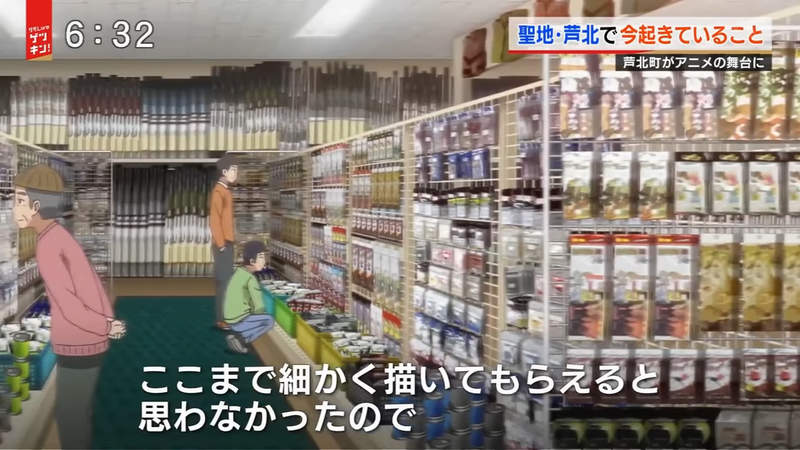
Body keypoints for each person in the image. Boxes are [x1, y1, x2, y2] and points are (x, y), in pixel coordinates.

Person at [13, 165, 126, 449]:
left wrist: (105, 326)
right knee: (76, 412)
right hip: (89, 336)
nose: (13, 209)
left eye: (18, 201)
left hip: (80, 340)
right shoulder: (58, 235)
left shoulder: (48, 245)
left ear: (35, 206)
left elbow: (69, 304)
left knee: (70, 415)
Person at [223, 240, 275, 354]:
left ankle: (238, 338)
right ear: (252, 261)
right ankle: (241, 339)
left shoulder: (239, 272)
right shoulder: (251, 279)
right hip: (239, 320)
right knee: (269, 321)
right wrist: (265, 312)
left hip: (230, 317)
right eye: (261, 257)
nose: (264, 261)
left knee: (261, 318)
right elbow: (259, 307)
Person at [209, 154, 238, 330]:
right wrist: (221, 244)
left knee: (225, 282)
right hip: (223, 244)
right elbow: (214, 220)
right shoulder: (219, 192)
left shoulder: (225, 191)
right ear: (224, 171)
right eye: (234, 170)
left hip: (227, 242)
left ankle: (225, 317)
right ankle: (223, 319)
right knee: (224, 282)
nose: (236, 173)